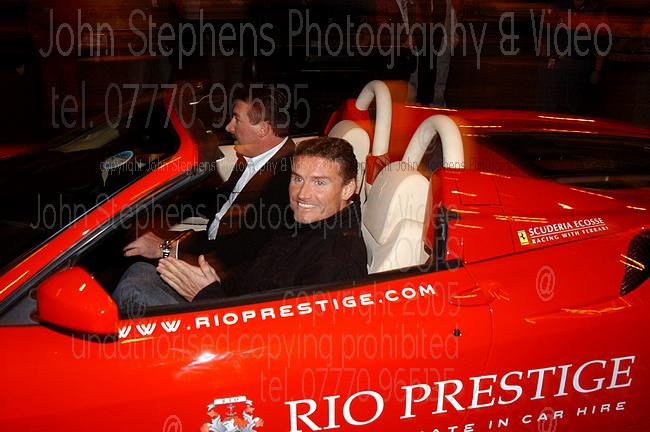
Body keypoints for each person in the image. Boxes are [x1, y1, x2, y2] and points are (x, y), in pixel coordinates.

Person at [120, 137, 368, 307]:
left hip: (233, 335)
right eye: (297, 179)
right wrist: (218, 282)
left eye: (320, 182)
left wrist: (206, 294)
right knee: (141, 271)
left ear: (347, 189)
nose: (302, 194)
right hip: (227, 301)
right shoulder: (303, 223)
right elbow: (257, 271)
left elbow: (283, 337)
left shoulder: (338, 259)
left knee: (135, 292)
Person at [113, 85, 295, 309]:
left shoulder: (285, 180)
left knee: (132, 291)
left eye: (237, 120)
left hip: (226, 291)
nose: (229, 127)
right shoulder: (254, 159)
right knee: (137, 270)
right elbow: (220, 208)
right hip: (213, 265)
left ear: (263, 129)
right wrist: (158, 204)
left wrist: (166, 247)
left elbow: (241, 249)